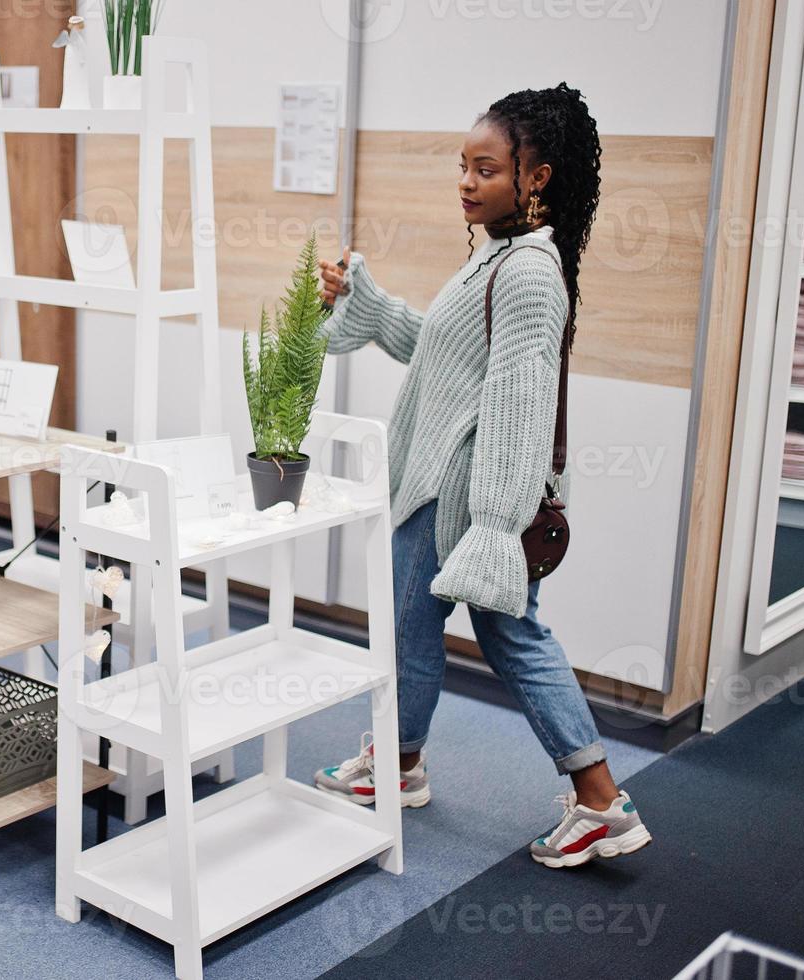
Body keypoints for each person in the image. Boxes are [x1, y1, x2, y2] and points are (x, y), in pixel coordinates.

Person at [311, 83, 651, 869]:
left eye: (486, 169)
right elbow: (443, 356)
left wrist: (494, 528)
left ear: (535, 177)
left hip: (455, 497)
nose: (466, 182)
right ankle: (575, 795)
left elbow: (516, 408)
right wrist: (369, 303)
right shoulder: (500, 256)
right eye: (462, 166)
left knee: (428, 630)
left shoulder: (528, 271)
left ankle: (419, 771)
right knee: (496, 634)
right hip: (454, 490)